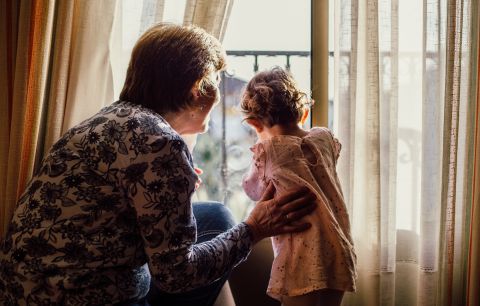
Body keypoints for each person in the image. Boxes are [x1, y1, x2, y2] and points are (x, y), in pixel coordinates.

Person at [0, 24, 318, 306]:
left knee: (216, 216)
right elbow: (177, 276)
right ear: (197, 88)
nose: (219, 93)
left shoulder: (107, 119)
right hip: (91, 298)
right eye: (216, 80)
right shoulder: (162, 144)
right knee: (226, 229)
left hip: (25, 291)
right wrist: (254, 229)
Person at [241, 67, 357, 306]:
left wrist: (260, 154)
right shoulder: (323, 138)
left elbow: (253, 190)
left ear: (254, 124)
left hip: (301, 256)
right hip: (338, 248)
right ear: (303, 114)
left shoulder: (268, 151)